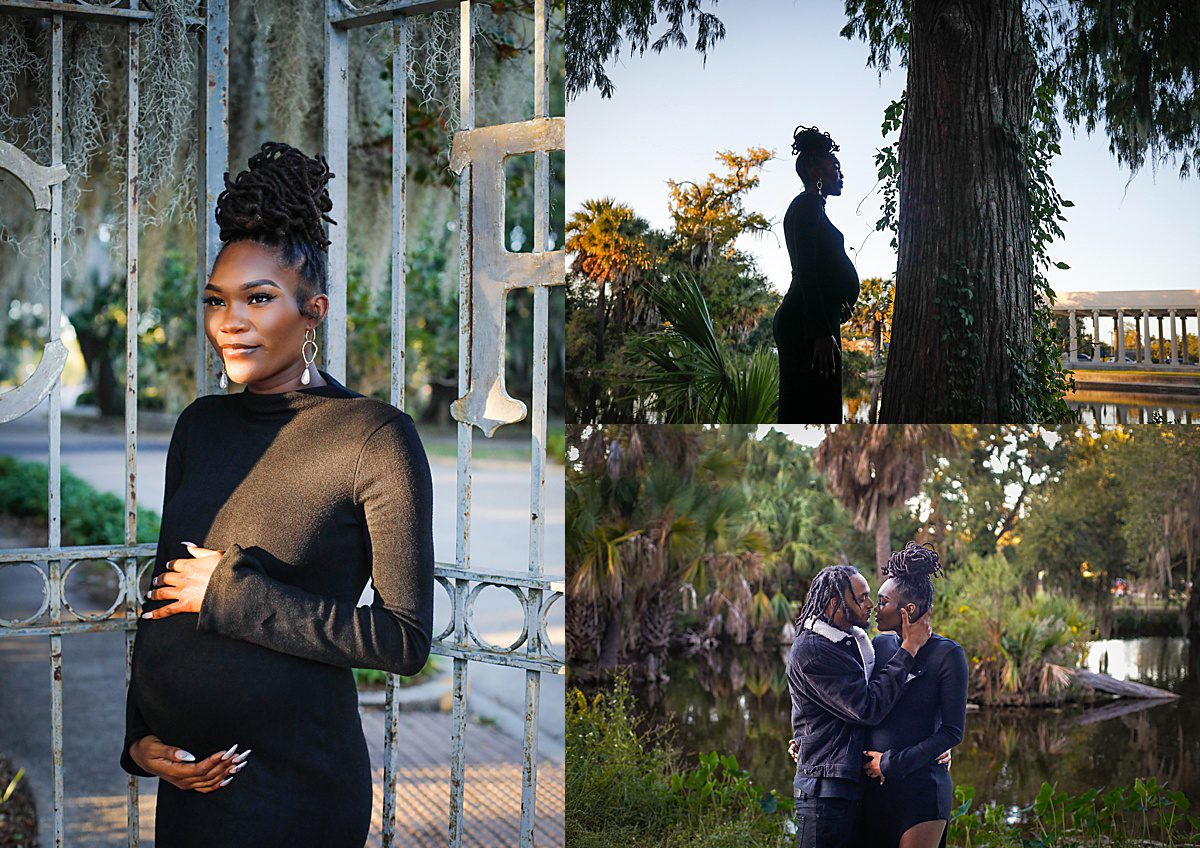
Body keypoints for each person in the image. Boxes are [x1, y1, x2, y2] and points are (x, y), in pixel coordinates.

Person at [119, 141, 435, 847]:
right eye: (217, 301)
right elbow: (164, 598)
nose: (231, 320)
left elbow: (405, 639)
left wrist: (236, 596)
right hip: (191, 784)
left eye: (258, 299)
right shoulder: (199, 427)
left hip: (298, 791)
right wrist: (139, 736)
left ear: (311, 310)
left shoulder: (372, 436)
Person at [786, 564, 932, 848]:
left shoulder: (850, 642)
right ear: (832, 602)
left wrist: (935, 740)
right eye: (862, 597)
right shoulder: (815, 651)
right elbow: (867, 707)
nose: (870, 605)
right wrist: (909, 650)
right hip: (825, 797)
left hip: (850, 789)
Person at [859, 542, 968, 848]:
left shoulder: (948, 654)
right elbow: (859, 706)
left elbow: (951, 731)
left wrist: (892, 764)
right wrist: (810, 739)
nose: (874, 608)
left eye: (882, 602)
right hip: (873, 791)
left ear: (908, 610)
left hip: (922, 791)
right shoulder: (877, 647)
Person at [772, 125, 860, 423]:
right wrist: (821, 330)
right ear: (814, 169)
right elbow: (807, 270)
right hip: (806, 326)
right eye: (835, 166)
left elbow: (822, 271)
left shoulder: (814, 208)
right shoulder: (807, 205)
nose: (841, 174)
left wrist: (837, 302)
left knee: (820, 410)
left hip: (816, 320)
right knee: (810, 413)